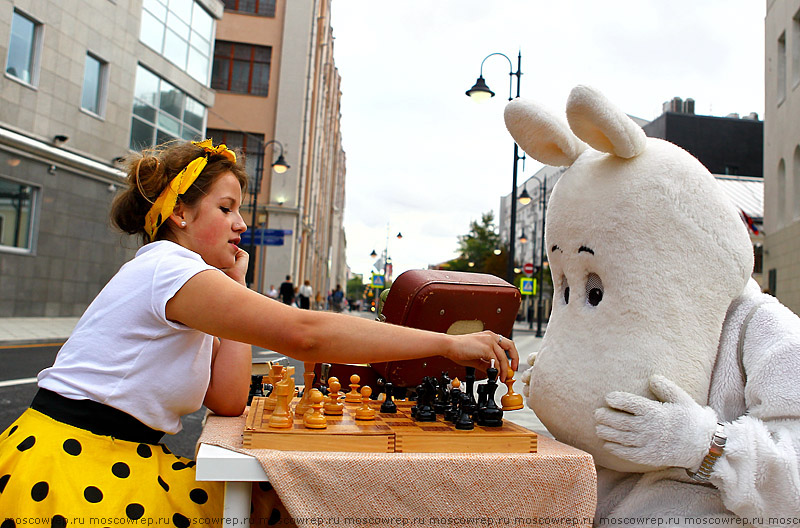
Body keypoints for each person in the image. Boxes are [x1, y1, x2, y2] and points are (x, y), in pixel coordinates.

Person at [0, 139, 518, 520]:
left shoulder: (190, 285)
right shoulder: (167, 267)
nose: (241, 224)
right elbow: (304, 334)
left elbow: (226, 399)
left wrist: (238, 285)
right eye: (226, 208)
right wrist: (449, 344)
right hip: (77, 465)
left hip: (109, 454)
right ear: (179, 212)